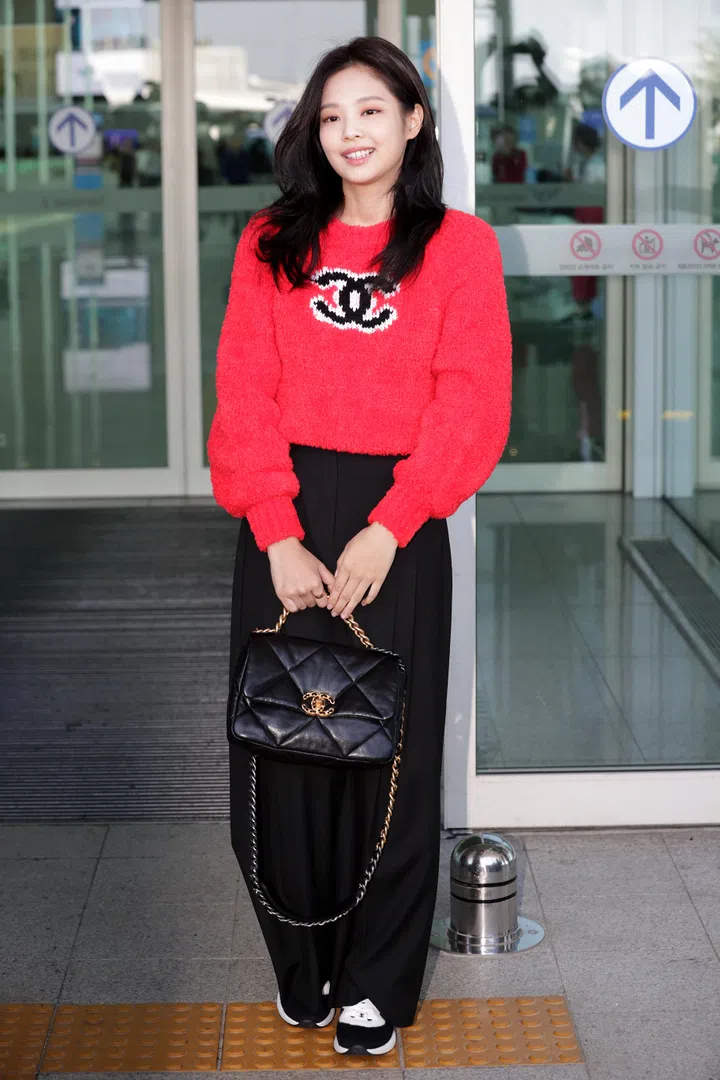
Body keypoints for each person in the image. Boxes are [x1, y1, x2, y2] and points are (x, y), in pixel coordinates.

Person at [207, 35, 512, 1057]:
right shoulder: (270, 243)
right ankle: (306, 960)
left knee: (392, 752)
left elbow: (471, 404)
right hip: (285, 508)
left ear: (414, 120)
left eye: (371, 111)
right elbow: (243, 394)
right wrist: (276, 532)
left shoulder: (459, 248)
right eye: (332, 116)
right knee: (281, 741)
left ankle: (378, 978)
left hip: (401, 517)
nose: (350, 133)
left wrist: (398, 518)